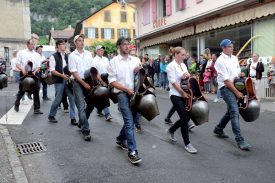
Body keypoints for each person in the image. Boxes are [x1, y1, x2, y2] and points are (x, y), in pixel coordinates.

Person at [107, 37, 142, 164]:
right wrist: (126, 89)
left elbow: (142, 76)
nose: (127, 46)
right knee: (129, 122)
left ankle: (120, 139)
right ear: (119, 46)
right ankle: (133, 152)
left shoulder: (136, 60)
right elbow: (113, 82)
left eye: (128, 44)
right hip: (122, 94)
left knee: (131, 122)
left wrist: (139, 72)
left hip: (135, 94)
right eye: (124, 44)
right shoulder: (114, 62)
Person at [213, 39, 251, 150]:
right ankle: (240, 140)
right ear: (223, 48)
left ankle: (219, 128)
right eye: (229, 46)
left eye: (232, 46)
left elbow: (235, 73)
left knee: (230, 112)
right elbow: (226, 81)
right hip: (226, 88)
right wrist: (237, 92)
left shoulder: (234, 58)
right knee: (235, 111)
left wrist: (240, 74)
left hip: (235, 85)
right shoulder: (220, 61)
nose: (232, 48)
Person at [166, 47, 197, 154]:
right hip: (175, 94)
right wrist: (183, 93)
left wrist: (187, 75)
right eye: (182, 55)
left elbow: (186, 77)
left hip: (185, 93)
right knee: (184, 117)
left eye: (184, 55)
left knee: (187, 117)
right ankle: (187, 143)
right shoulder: (170, 66)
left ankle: (171, 130)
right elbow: (173, 83)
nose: (184, 57)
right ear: (176, 54)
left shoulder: (183, 65)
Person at [68, 34, 94, 141]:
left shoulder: (88, 54)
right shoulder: (72, 56)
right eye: (79, 40)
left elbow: (92, 69)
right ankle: (86, 130)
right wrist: (84, 84)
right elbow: (74, 72)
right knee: (81, 107)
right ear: (75, 43)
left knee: (92, 104)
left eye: (82, 40)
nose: (81, 42)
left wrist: (98, 81)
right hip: (78, 82)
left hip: (89, 81)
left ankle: (82, 122)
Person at [48, 39, 77, 126]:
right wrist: (62, 75)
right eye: (63, 44)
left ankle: (73, 118)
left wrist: (71, 77)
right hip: (59, 81)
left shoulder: (68, 56)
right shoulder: (53, 56)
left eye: (65, 44)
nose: (65, 45)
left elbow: (71, 68)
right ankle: (51, 116)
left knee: (72, 99)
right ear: (58, 46)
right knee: (58, 99)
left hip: (68, 81)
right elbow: (52, 70)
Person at [14, 39, 43, 114]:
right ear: (27, 44)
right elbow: (17, 64)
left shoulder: (37, 55)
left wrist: (35, 71)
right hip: (24, 73)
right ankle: (17, 103)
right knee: (22, 90)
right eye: (31, 44)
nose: (33, 45)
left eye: (34, 44)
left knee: (36, 90)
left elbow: (39, 66)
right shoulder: (21, 53)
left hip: (34, 74)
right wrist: (22, 69)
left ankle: (37, 109)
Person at [93, 45, 113, 121]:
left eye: (103, 50)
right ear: (97, 51)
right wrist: (101, 81)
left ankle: (99, 109)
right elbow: (95, 72)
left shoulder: (106, 59)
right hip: (99, 80)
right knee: (104, 96)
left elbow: (109, 69)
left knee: (105, 96)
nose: (102, 51)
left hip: (107, 79)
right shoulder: (94, 60)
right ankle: (107, 114)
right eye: (100, 50)